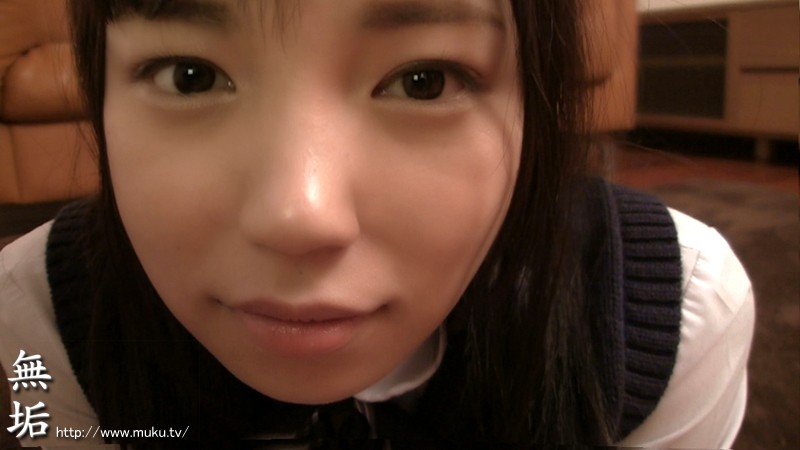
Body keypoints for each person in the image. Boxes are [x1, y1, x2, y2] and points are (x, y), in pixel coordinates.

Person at [0, 0, 754, 448]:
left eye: (424, 81)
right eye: (190, 75)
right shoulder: (36, 323)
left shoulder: (678, 314)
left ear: (535, 97)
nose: (301, 217)